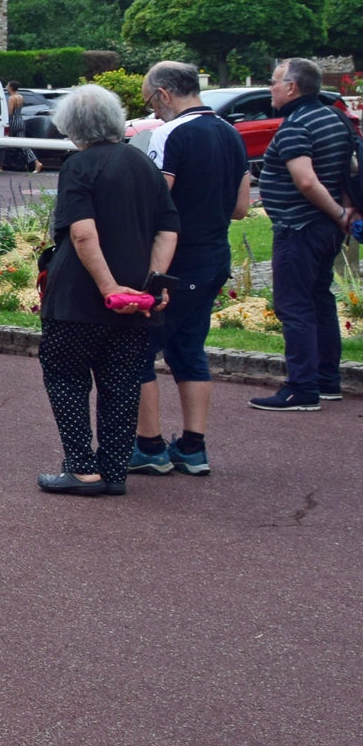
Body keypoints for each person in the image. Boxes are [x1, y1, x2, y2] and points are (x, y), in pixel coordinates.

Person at [33, 83, 180, 495]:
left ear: (72, 127)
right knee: (122, 384)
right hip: (137, 296)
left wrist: (109, 286)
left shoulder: (78, 166)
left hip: (78, 297)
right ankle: (114, 469)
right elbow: (168, 229)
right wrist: (150, 285)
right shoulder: (144, 164)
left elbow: (82, 233)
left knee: (66, 378)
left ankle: (82, 467)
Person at [129, 61, 251, 476]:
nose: (152, 109)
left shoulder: (169, 134)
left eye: (150, 100)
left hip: (176, 261)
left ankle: (149, 446)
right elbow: (241, 207)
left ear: (164, 94)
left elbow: (155, 201)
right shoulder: (232, 133)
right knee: (189, 349)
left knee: (137, 350)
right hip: (214, 257)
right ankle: (193, 446)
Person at [252, 57, 361, 412]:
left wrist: (337, 212)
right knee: (319, 300)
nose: (270, 88)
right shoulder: (335, 117)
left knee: (294, 305)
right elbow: (349, 168)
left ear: (291, 86)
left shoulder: (295, 125)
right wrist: (345, 212)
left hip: (298, 227)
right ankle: (327, 380)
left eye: (274, 81)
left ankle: (301, 388)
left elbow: (306, 181)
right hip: (327, 230)